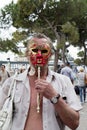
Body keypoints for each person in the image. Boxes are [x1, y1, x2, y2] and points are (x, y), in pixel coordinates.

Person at [0, 33, 82, 130]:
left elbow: (74, 124)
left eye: (44, 51)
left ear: (50, 54)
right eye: (34, 50)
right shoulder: (12, 83)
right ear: (27, 54)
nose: (39, 55)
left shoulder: (63, 82)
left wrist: (55, 97)